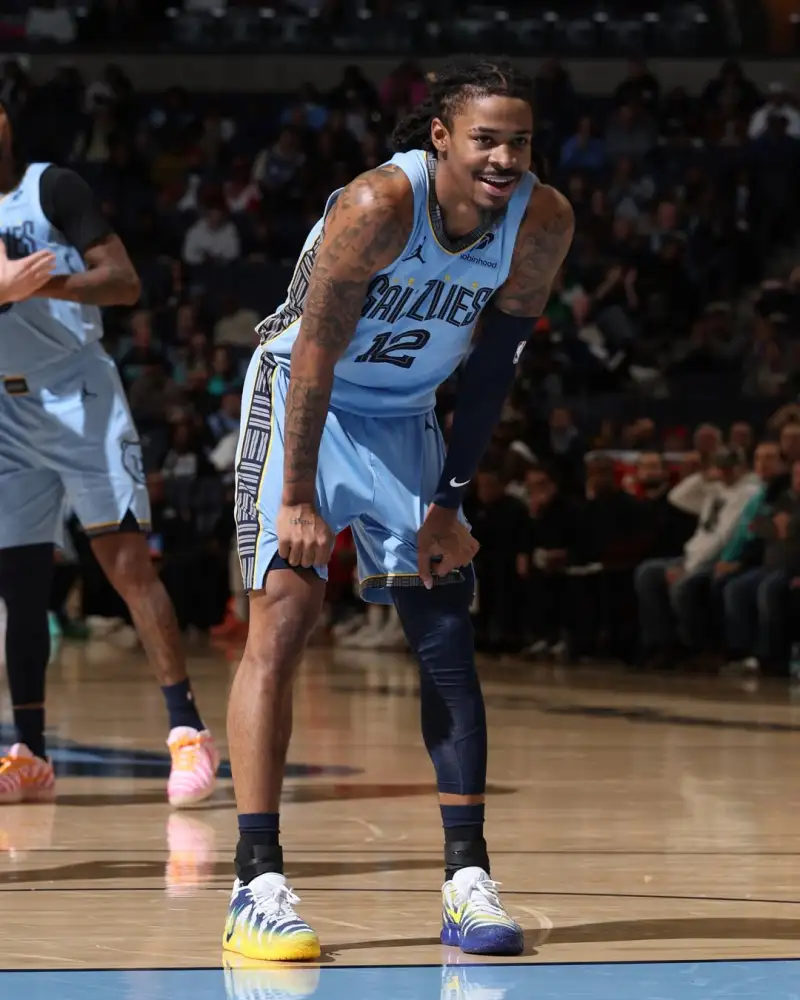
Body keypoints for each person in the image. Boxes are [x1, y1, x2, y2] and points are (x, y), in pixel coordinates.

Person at [223, 59, 574, 961]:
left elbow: (490, 372)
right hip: (305, 400)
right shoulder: (380, 204)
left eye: (520, 141)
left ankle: (467, 878)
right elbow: (313, 352)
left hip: (407, 414)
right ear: (442, 138)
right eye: (486, 139)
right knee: (285, 618)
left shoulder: (541, 219)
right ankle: (256, 881)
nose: (505, 158)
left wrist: (449, 503)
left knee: (445, 629)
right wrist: (296, 496)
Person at [0, 100, 219, 807]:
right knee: (20, 585)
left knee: (126, 564)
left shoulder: (52, 188)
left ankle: (188, 732)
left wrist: (37, 282)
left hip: (78, 392)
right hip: (8, 407)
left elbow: (124, 282)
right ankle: (29, 753)